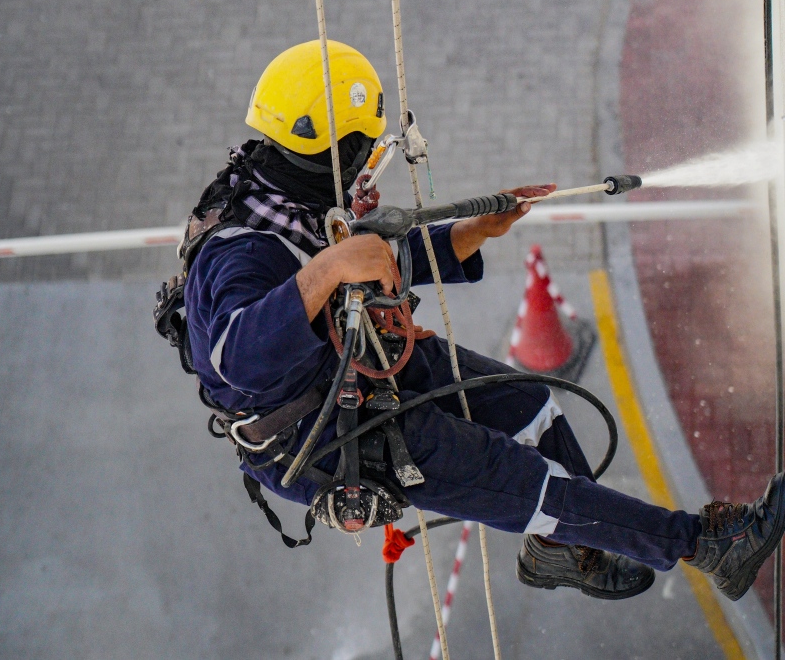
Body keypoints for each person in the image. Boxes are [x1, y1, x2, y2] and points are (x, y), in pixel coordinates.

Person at [184, 39, 785, 602]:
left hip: (352, 363)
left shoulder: (288, 196)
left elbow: (371, 263)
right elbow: (239, 359)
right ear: (332, 151)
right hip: (319, 435)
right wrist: (328, 270)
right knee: (531, 486)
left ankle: (561, 551)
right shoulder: (241, 251)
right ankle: (705, 547)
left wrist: (473, 232)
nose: (369, 163)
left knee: (531, 408)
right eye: (362, 150)